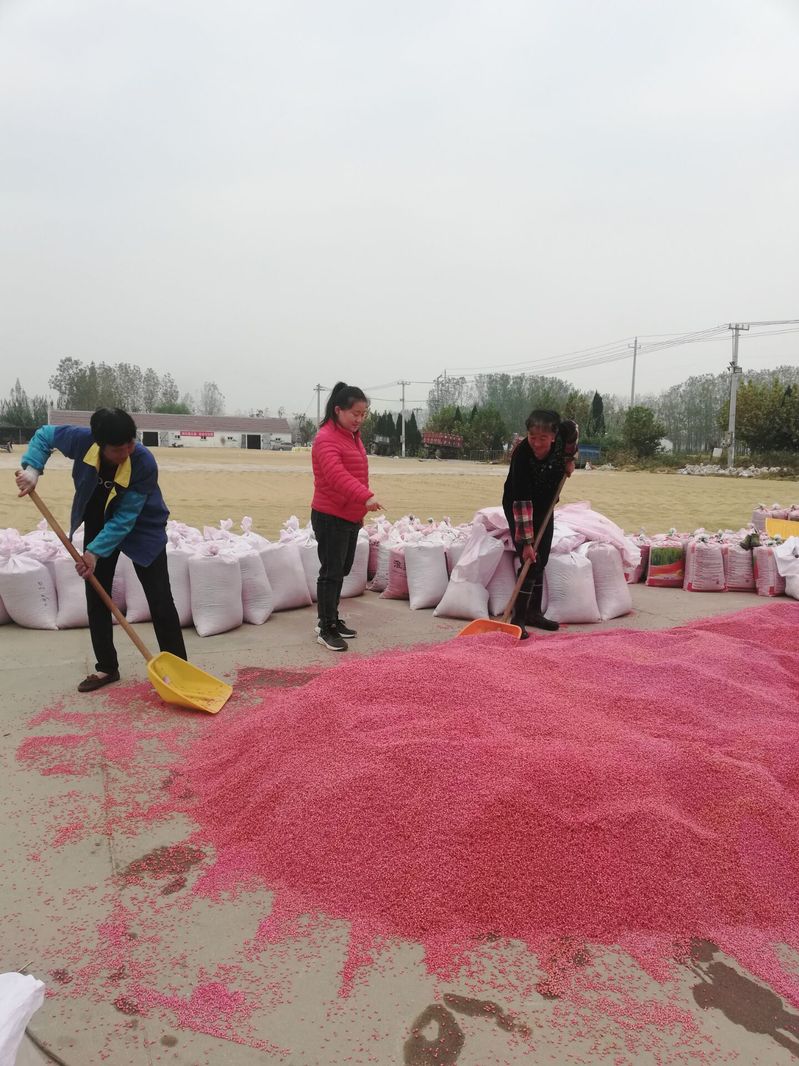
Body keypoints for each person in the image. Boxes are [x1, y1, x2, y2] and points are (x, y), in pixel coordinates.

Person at [15, 408, 187, 691]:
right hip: (98, 518)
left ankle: (180, 670)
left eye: (130, 443)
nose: (126, 452)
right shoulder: (81, 440)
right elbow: (45, 435)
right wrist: (33, 470)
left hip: (143, 526)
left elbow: (125, 518)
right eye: (118, 449)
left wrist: (94, 552)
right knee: (97, 594)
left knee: (160, 599)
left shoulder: (143, 461)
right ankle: (107, 667)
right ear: (100, 445)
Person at [311, 382, 383, 652]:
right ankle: (325, 626)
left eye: (363, 414)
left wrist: (359, 512)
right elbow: (336, 476)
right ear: (338, 410)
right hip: (330, 516)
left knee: (341, 570)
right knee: (331, 572)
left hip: (349, 516)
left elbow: (357, 473)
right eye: (355, 413)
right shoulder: (326, 438)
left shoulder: (352, 436)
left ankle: (332, 618)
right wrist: (365, 497)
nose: (359, 419)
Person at [502, 409, 579, 638]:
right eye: (532, 437)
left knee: (542, 557)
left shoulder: (564, 433)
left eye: (543, 438)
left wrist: (569, 459)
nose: (536, 443)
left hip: (545, 504)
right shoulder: (521, 456)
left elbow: (573, 430)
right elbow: (521, 500)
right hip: (520, 506)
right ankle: (518, 619)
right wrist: (526, 542)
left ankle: (534, 613)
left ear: (554, 436)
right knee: (530, 558)